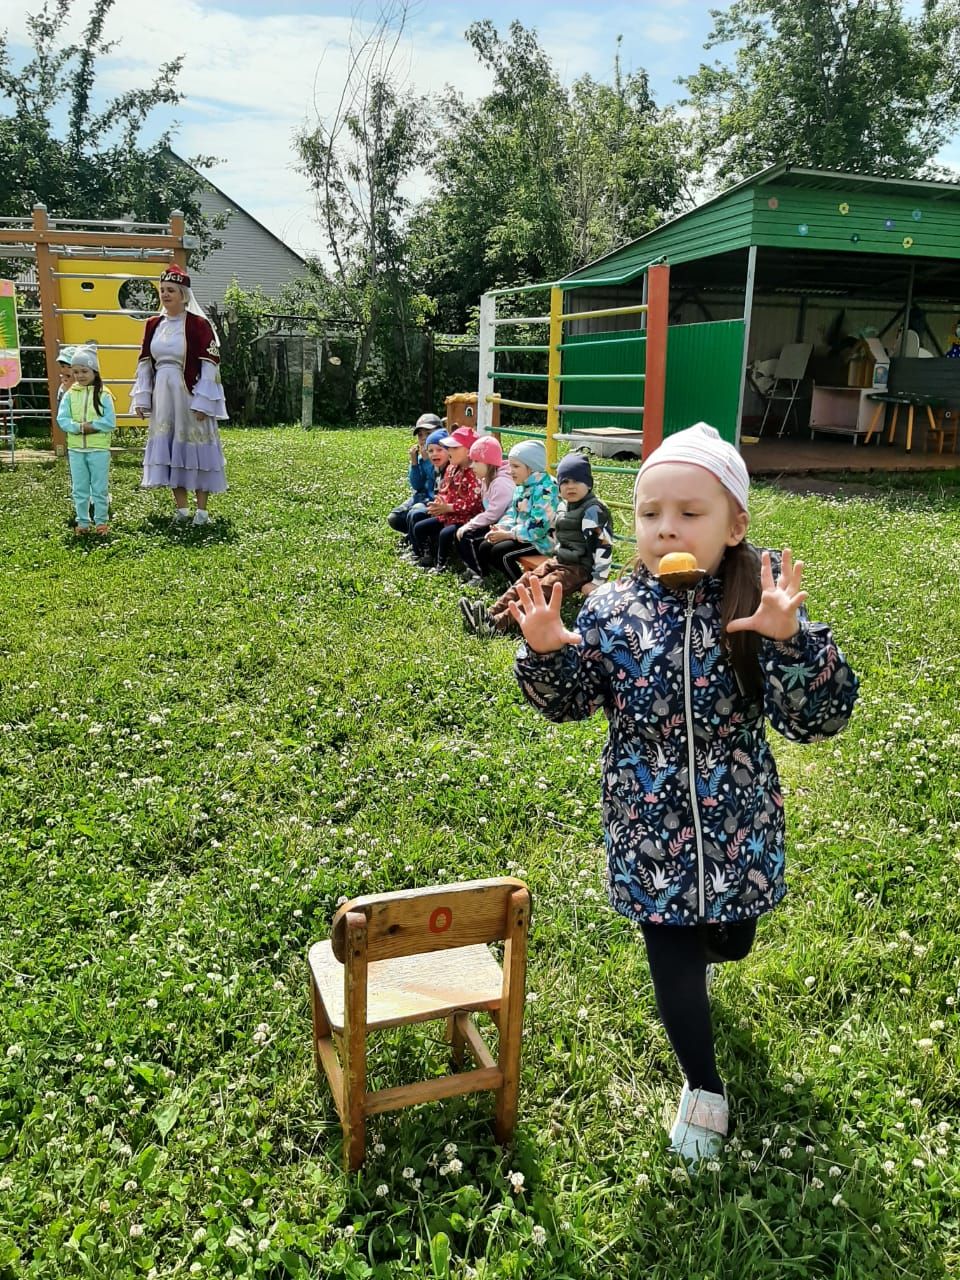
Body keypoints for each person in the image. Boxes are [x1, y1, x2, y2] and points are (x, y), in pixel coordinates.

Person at [511, 423, 859, 1163]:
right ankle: (703, 1090)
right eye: (649, 513)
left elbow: (818, 718)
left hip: (739, 819)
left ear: (735, 525)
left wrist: (789, 640)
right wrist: (547, 652)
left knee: (729, 940)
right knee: (670, 947)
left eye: (690, 513)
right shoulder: (610, 610)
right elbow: (578, 698)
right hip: (647, 820)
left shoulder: (759, 600)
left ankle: (712, 946)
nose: (665, 525)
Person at [462, 450, 614, 637]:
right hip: (560, 560)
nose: (570, 486)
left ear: (588, 484)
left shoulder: (593, 510)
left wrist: (597, 581)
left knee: (539, 590)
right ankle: (489, 614)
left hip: (580, 568)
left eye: (577, 481)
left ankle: (496, 625)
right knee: (526, 581)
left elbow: (604, 548)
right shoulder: (564, 506)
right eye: (565, 481)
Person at [132, 264, 227, 527]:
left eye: (170, 290)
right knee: (170, 446)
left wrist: (203, 402)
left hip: (189, 392)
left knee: (195, 448)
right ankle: (182, 509)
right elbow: (144, 363)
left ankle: (202, 511)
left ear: (183, 294)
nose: (165, 294)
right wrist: (143, 398)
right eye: (162, 290)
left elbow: (210, 365)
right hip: (163, 393)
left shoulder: (198, 324)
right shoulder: (153, 325)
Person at [474, 440, 559, 583]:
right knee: (484, 546)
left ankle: (520, 589)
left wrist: (508, 534)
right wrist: (501, 527)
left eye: (516, 466)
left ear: (531, 468)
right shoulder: (522, 485)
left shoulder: (546, 488)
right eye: (510, 465)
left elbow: (538, 526)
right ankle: (507, 581)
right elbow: (512, 513)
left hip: (542, 541)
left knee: (500, 553)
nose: (510, 470)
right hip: (521, 534)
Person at [56, 344, 115, 535]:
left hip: (98, 450)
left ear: (94, 371)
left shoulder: (103, 394)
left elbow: (109, 421)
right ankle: (82, 522)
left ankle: (101, 523)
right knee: (79, 488)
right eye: (76, 372)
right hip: (76, 450)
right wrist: (77, 428)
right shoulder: (70, 395)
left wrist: (92, 426)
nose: (80, 375)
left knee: (99, 488)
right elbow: (62, 419)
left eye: (84, 371)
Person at [409, 425, 482, 572]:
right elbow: (443, 490)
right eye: (448, 447)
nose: (449, 451)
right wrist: (438, 503)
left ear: (469, 451)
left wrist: (448, 507)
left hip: (466, 517)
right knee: (419, 527)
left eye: (453, 448)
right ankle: (426, 554)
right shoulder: (451, 468)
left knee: (445, 534)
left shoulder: (474, 472)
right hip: (448, 515)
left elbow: (473, 503)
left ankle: (443, 566)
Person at [454, 435, 515, 586]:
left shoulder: (501, 483)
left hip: (507, 526)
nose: (471, 466)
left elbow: (493, 513)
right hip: (497, 523)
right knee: (463, 534)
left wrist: (470, 524)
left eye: (476, 461)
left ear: (489, 462)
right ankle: (474, 568)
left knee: (468, 536)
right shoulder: (486, 480)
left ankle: (481, 574)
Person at [388, 412, 444, 544]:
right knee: (394, 518)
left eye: (428, 433)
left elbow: (438, 480)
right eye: (420, 435)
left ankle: (423, 538)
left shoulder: (442, 457)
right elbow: (416, 485)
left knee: (416, 513)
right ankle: (416, 534)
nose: (424, 438)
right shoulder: (420, 457)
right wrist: (414, 463)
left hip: (433, 500)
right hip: (420, 496)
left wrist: (427, 460)